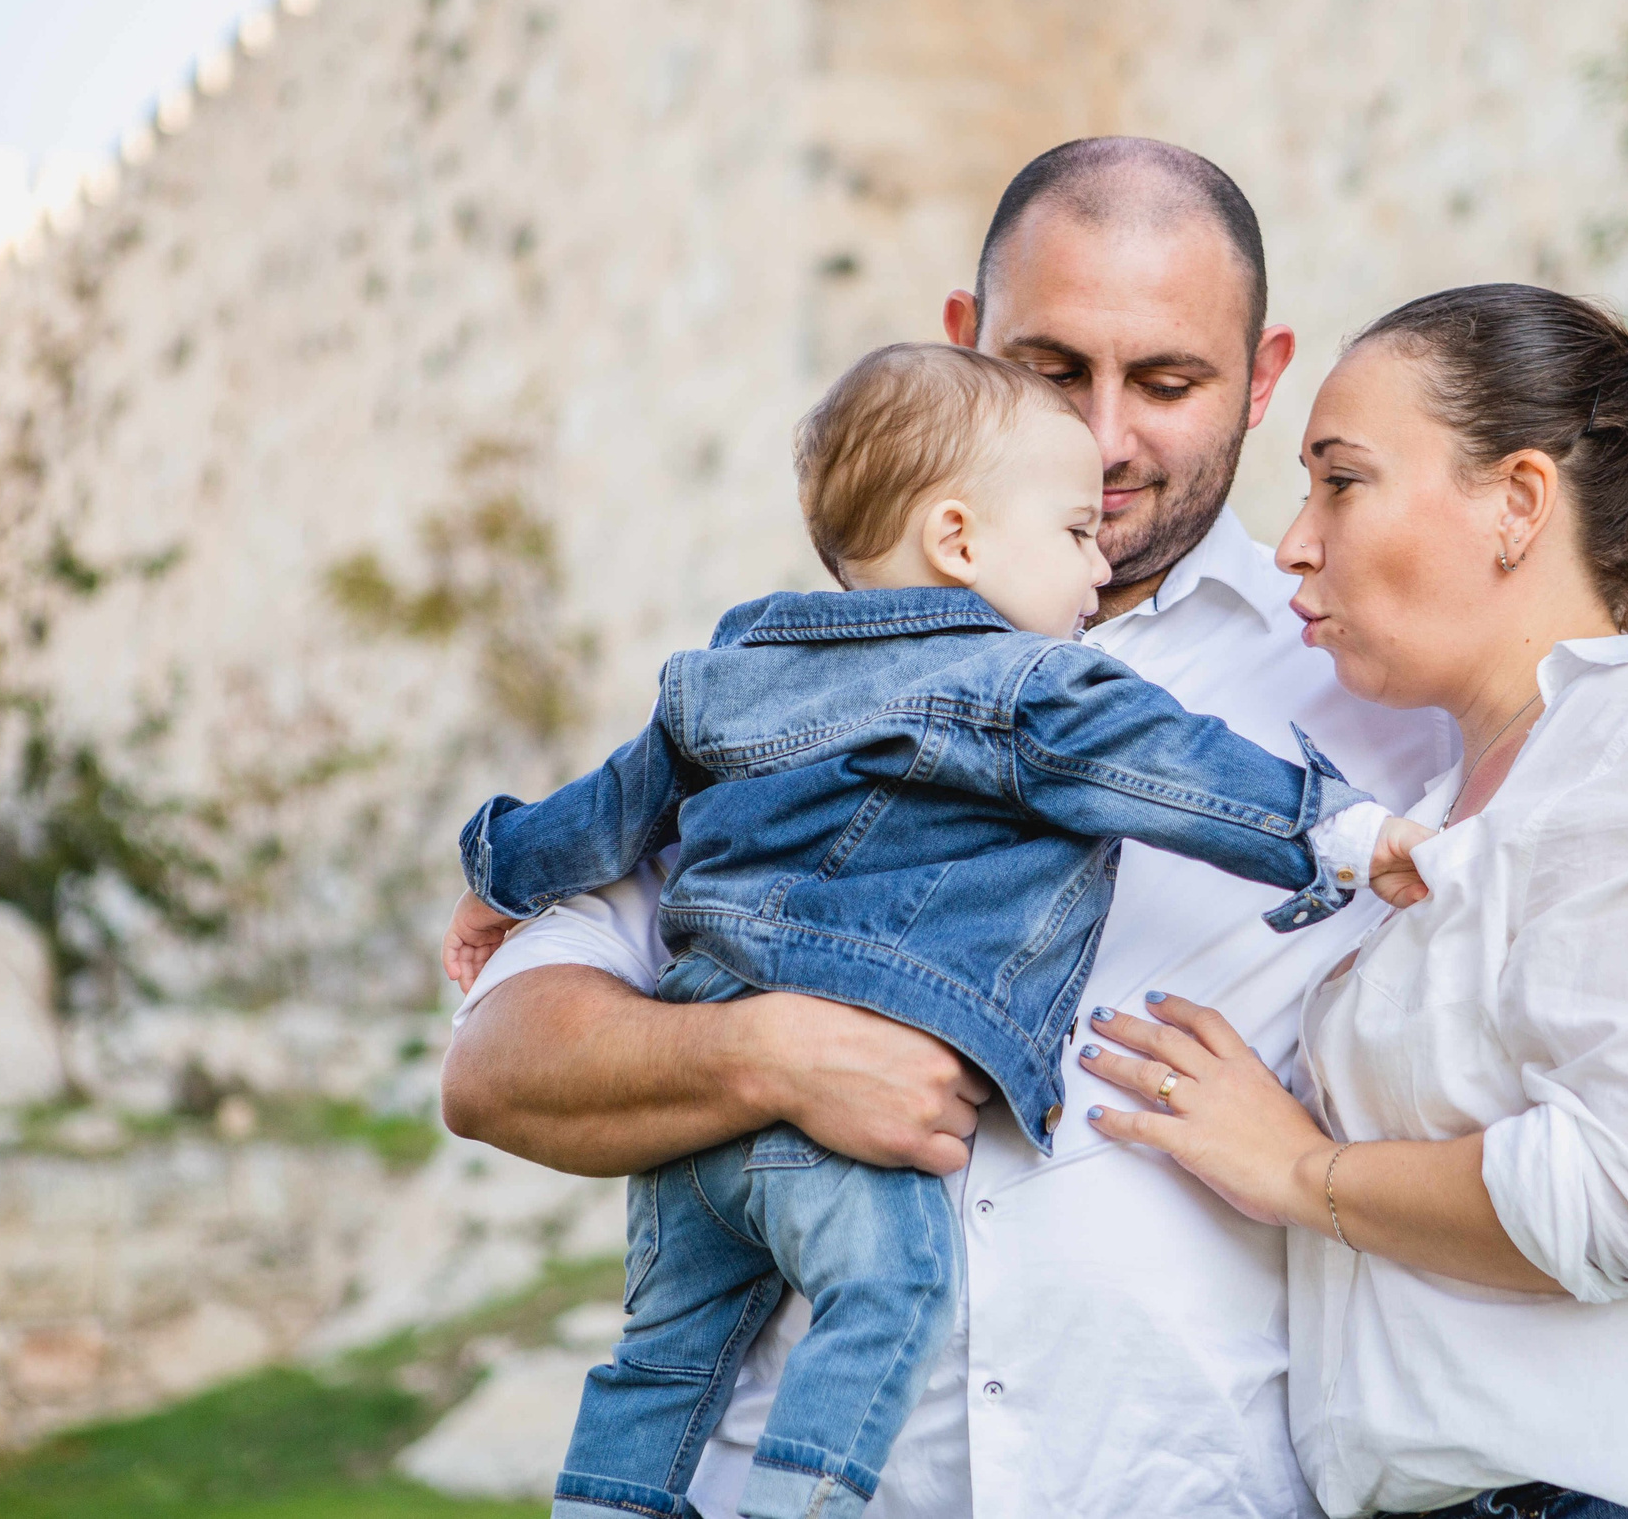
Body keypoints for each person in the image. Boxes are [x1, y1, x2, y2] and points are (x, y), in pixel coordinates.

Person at [439, 138, 1628, 1519]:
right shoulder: (789, 682)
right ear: (959, 339)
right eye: (1049, 366)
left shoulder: (1379, 679)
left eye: (1165, 381)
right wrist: (764, 1053)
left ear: (1261, 374)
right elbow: (499, 1066)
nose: (1104, 438)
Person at [439, 342, 1429, 1519]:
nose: (1093, 555)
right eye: (1070, 534)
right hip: (841, 1136)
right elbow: (1182, 775)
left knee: (662, 1359)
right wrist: (1347, 837)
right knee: (895, 1299)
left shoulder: (730, 666)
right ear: (960, 542)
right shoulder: (1022, 682)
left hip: (688, 1153)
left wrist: (497, 872)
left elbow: (597, 817)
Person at [1075, 285, 1628, 1517]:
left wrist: (1302, 1171)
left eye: (1341, 481)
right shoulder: (1463, 796)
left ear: (1518, 503)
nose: (1294, 545)